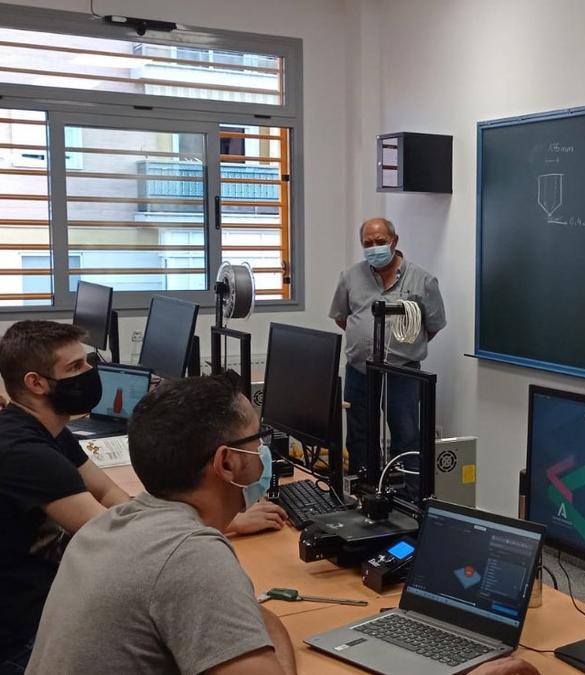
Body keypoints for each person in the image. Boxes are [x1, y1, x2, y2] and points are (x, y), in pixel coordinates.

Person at [26, 371, 539, 675]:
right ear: (227, 464)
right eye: (257, 442)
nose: (265, 453)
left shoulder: (116, 527)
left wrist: (249, 621)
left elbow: (247, 621)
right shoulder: (190, 556)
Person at [0, 321, 284, 673]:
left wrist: (201, 518)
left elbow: (108, 495)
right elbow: (120, 535)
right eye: (75, 368)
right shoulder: (23, 451)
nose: (90, 372)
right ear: (36, 383)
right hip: (16, 634)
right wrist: (267, 627)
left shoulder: (48, 432)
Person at [331, 217, 447, 486]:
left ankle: (411, 497)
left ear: (394, 241)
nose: (374, 248)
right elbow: (341, 317)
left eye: (380, 242)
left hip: (402, 373)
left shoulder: (423, 280)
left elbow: (433, 325)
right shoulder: (350, 277)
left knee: (406, 434)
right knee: (359, 433)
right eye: (368, 244)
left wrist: (404, 347)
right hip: (360, 371)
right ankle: (364, 488)